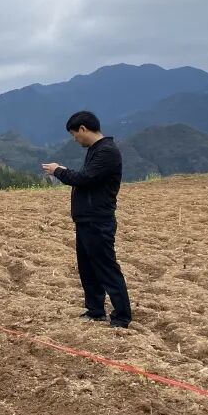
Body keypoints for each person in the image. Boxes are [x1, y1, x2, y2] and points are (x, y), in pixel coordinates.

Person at [42, 111, 132, 328]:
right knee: (87, 268)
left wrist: (59, 171)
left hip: (98, 221)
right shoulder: (96, 151)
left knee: (106, 268)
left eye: (75, 134)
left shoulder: (107, 152)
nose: (75, 139)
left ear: (83, 129)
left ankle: (121, 316)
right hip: (86, 221)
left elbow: (84, 179)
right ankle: (95, 310)